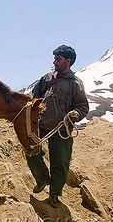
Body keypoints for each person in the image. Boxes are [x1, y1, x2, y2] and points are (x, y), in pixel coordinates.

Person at [26, 45, 89, 208]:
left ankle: (54, 194)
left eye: (58, 59)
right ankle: (42, 178)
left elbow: (83, 107)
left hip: (62, 129)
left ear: (68, 61)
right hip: (42, 125)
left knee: (60, 162)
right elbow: (34, 96)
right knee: (30, 149)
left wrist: (74, 114)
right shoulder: (47, 78)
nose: (54, 62)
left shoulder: (76, 84)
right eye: (54, 58)